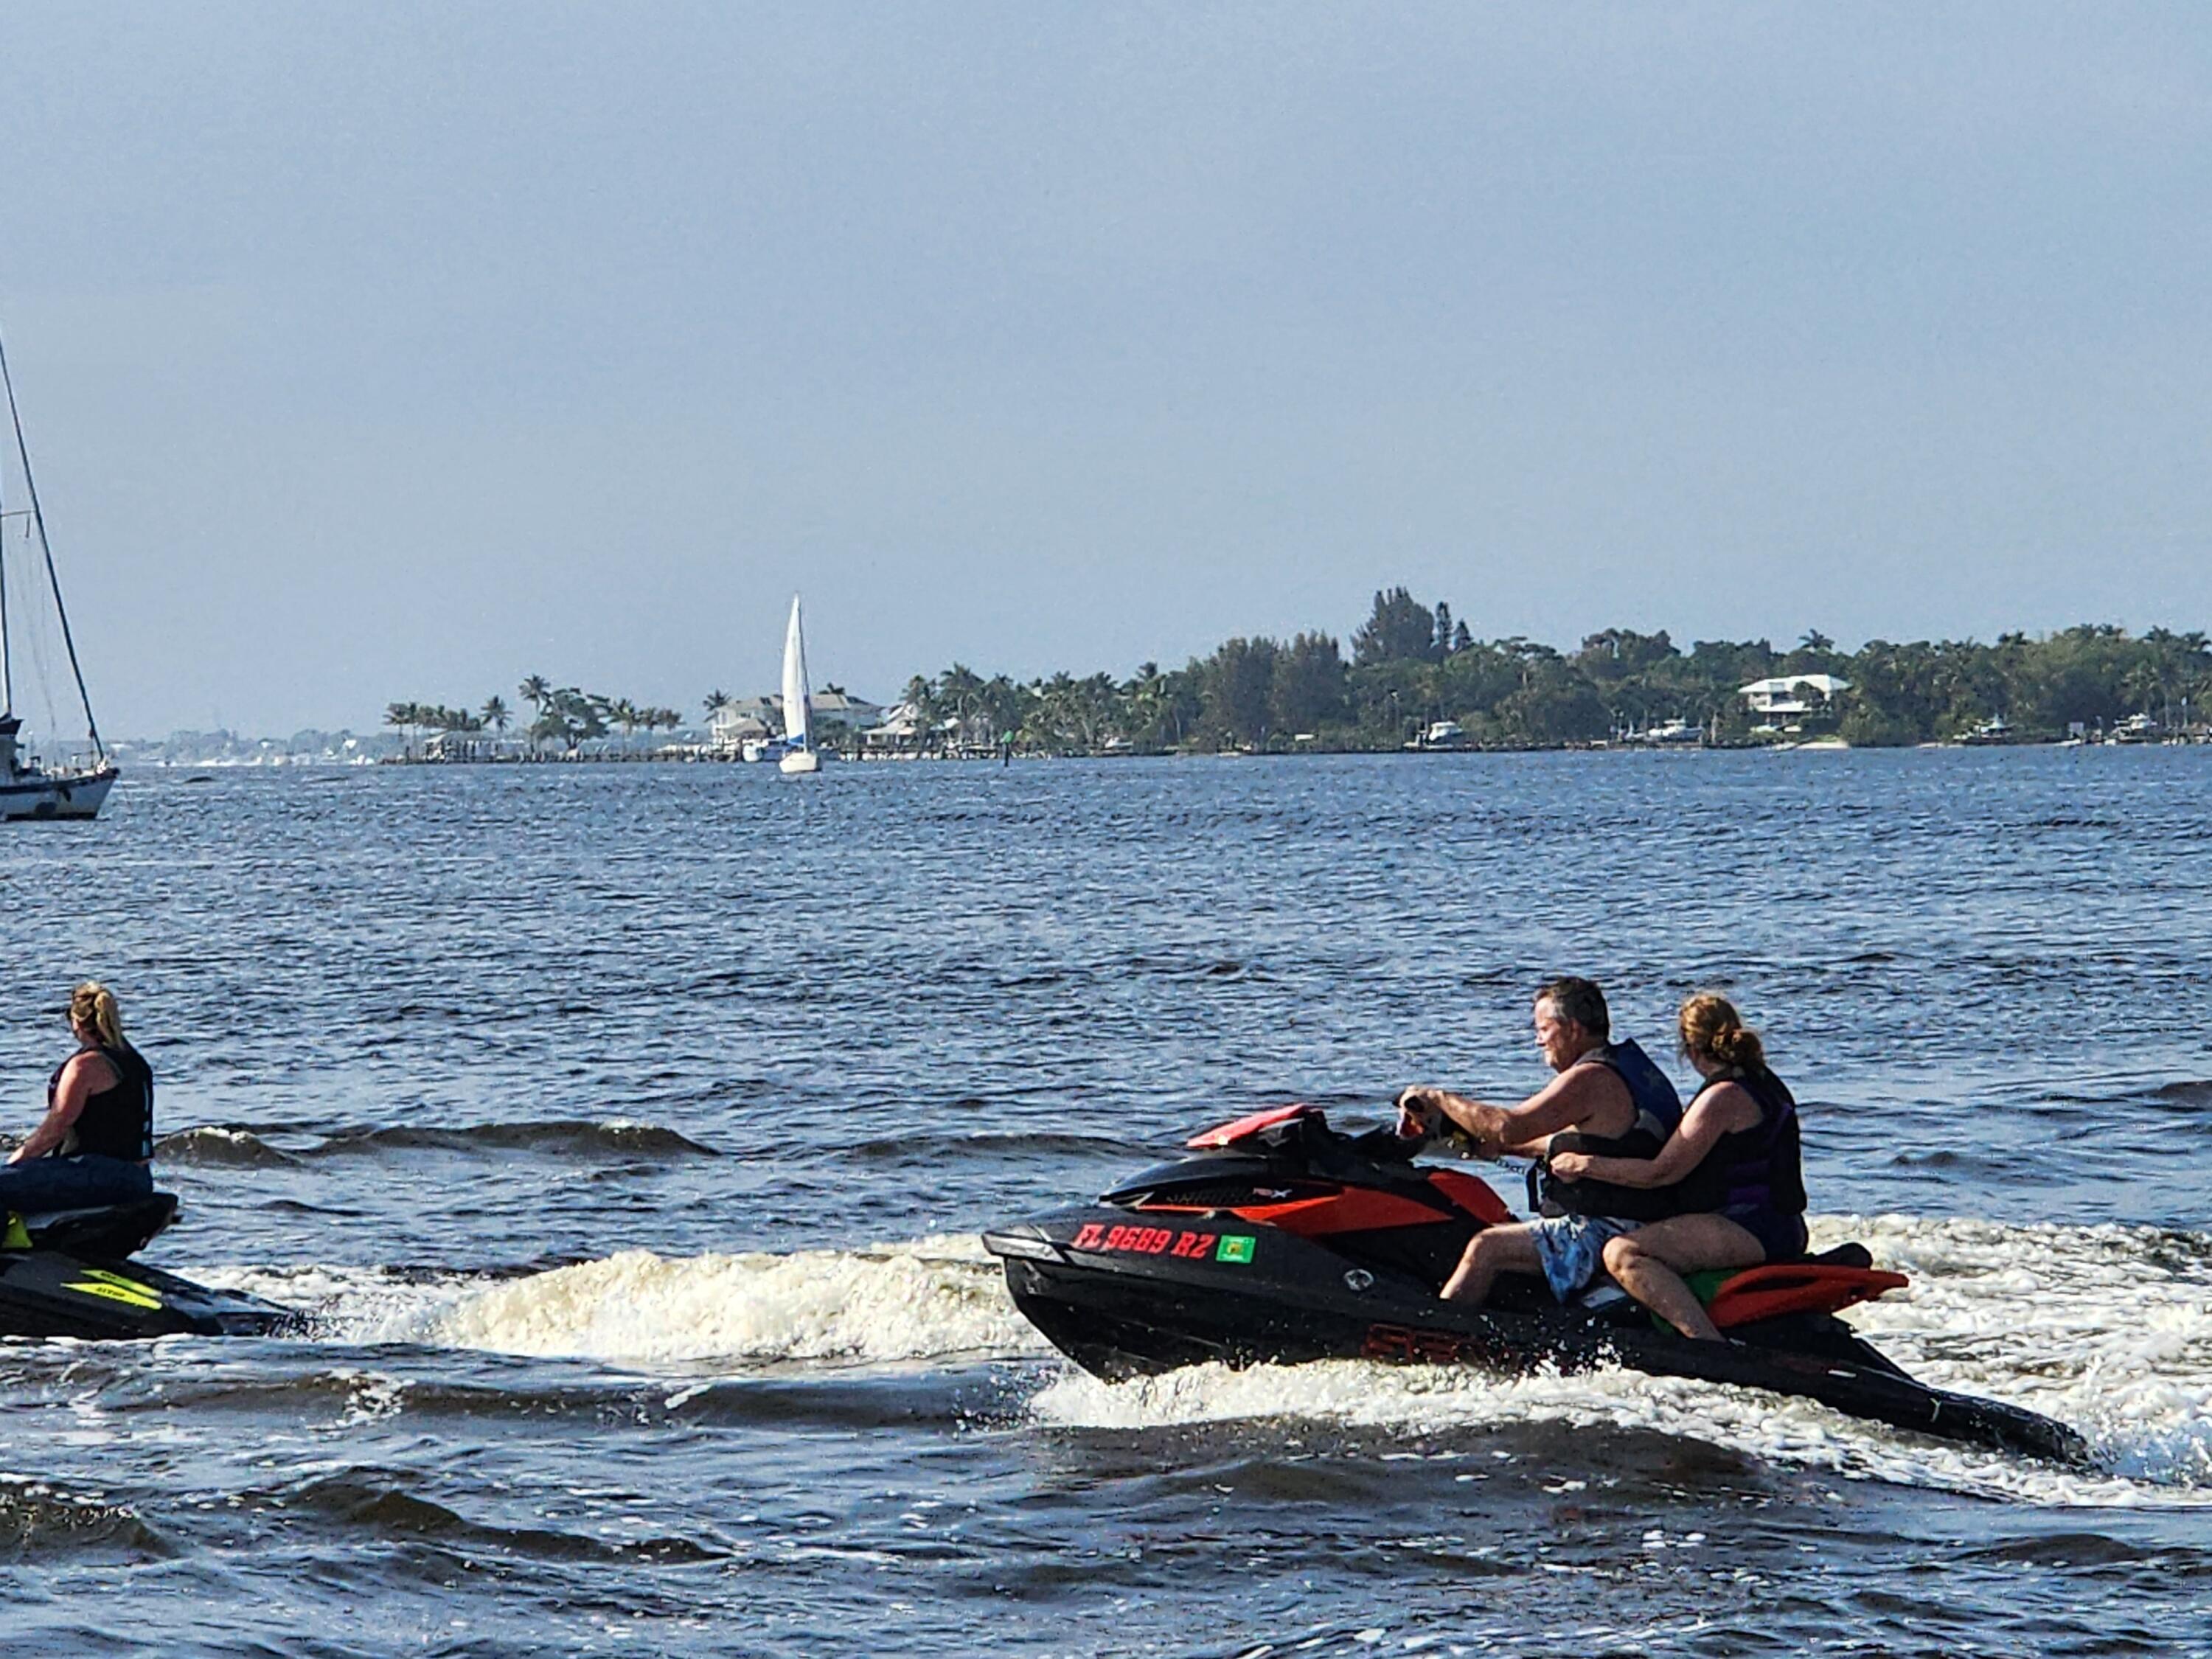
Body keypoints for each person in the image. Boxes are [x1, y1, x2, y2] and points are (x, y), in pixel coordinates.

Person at [1397, 976, 1682, 1308]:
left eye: (1544, 1029)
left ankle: (1438, 1334)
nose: (1538, 1041)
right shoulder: (1631, 1069)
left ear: (1573, 1029)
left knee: (1485, 1247)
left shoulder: (1590, 1078)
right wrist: (1493, 1148)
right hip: (1644, 1220)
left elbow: (1508, 1127)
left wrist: (1438, 1098)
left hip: (1605, 1229)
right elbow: (1574, 1142)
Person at [1547, 992, 1806, 1341]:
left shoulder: (1722, 1097)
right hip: (1780, 1222)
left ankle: (1705, 1345)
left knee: (1623, 1252)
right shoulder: (1763, 1082)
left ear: (1691, 1049)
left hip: (1750, 1224)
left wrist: (1585, 1164)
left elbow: (1661, 1172)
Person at [0, 981, 156, 1214]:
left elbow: (55, 1129)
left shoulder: (85, 1066)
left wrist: (14, 1164)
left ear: (77, 1022)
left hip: (101, 1175)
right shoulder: (133, 1058)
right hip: (138, 1176)